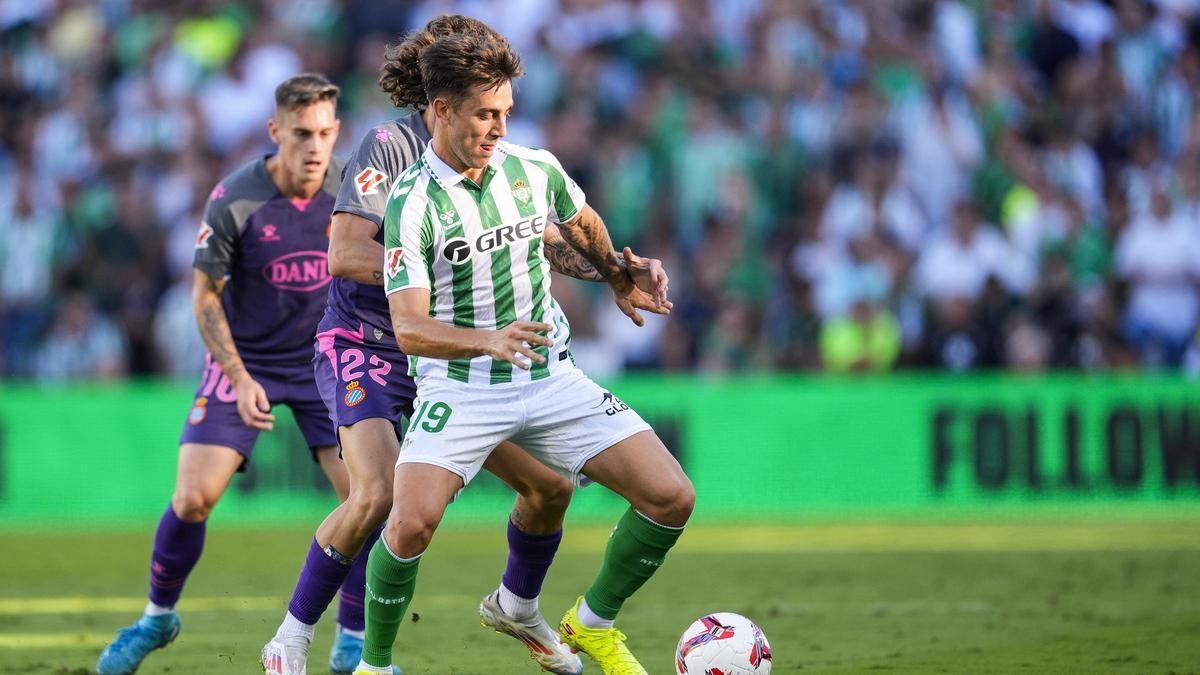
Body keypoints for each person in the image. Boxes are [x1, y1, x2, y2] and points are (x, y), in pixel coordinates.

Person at [261, 16, 671, 675]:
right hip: (372, 341)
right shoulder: (389, 149)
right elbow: (343, 253)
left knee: (549, 489)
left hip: (464, 353)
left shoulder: (510, 164)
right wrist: (435, 269)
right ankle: (293, 635)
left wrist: (613, 271)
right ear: (441, 93)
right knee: (377, 496)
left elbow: (538, 238)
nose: (497, 119)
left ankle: (517, 607)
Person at [96, 74, 351, 675]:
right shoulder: (235, 198)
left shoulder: (352, 192)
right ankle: (157, 618)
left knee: (367, 500)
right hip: (247, 360)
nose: (314, 146)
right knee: (193, 498)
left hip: (325, 360)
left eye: (324, 133)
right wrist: (237, 377)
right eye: (301, 134)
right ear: (275, 131)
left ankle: (353, 638)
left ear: (336, 131)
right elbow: (205, 296)